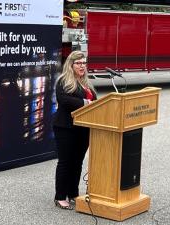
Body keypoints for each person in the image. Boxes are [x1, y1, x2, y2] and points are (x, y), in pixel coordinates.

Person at [52, 51, 97, 210]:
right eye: (79, 63)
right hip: (65, 127)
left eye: (84, 63)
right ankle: (60, 196)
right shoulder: (63, 81)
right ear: (71, 65)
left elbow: (96, 102)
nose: (82, 66)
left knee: (77, 162)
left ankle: (73, 193)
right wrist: (86, 102)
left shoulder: (87, 82)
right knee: (65, 162)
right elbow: (64, 100)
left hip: (83, 128)